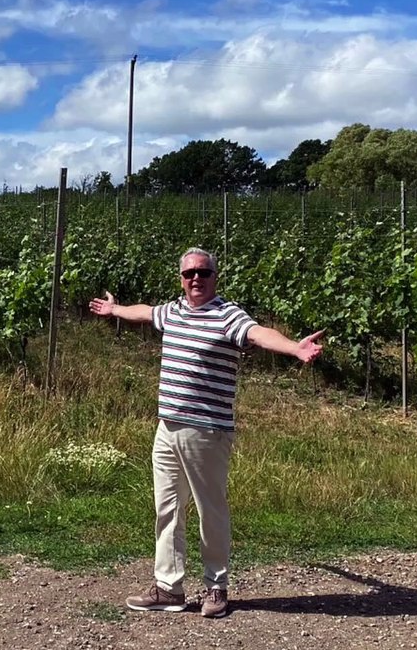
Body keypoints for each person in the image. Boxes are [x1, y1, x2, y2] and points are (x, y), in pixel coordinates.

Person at [88, 247, 324, 619]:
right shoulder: (174, 311)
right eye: (189, 274)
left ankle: (216, 586)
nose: (195, 279)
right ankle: (169, 588)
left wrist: (294, 347)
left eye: (203, 273)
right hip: (167, 429)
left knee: (209, 510)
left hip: (207, 432)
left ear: (215, 277)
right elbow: (146, 313)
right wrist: (115, 310)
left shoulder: (228, 315)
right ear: (181, 279)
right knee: (167, 510)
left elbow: (259, 334)